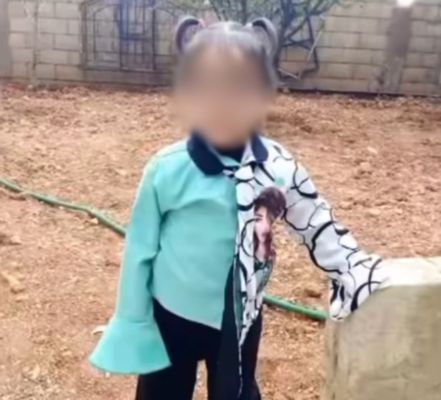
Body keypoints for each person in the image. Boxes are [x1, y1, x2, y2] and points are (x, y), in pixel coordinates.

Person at [89, 16, 387, 400]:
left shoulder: (279, 169)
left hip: (242, 317)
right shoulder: (168, 169)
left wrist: (353, 268)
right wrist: (132, 318)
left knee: (237, 392)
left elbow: (315, 221)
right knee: (162, 393)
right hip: (172, 315)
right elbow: (140, 249)